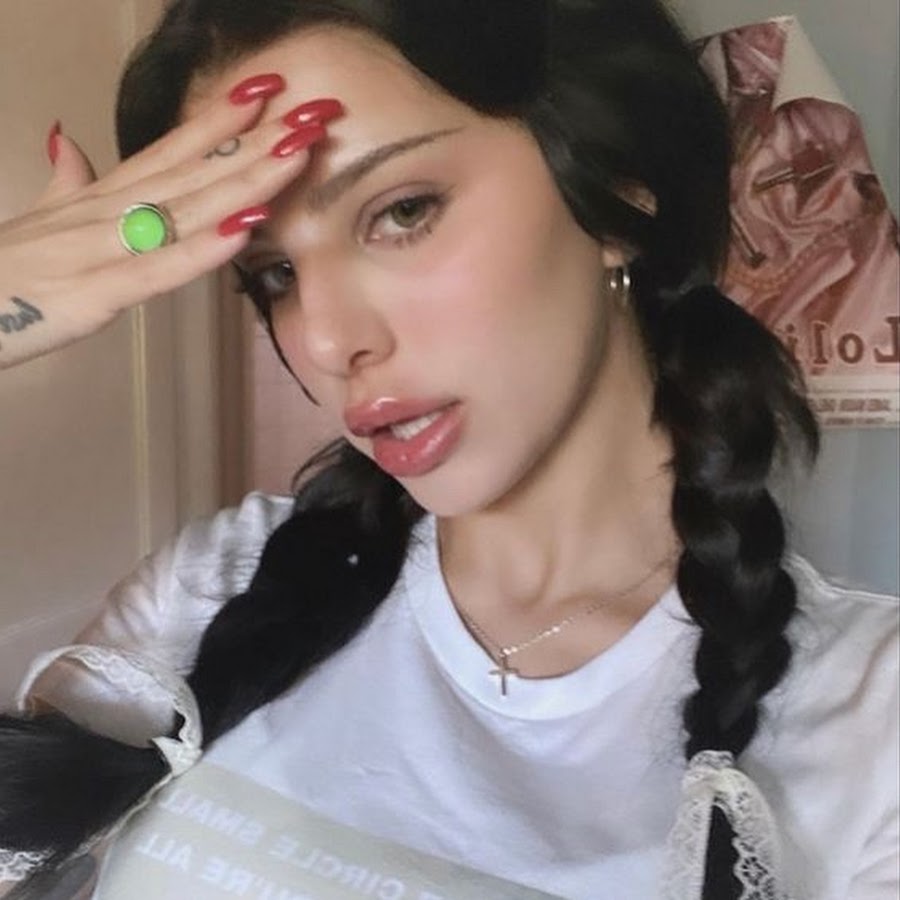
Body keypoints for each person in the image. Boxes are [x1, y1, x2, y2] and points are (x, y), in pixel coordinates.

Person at [0, 1, 897, 898]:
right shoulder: (211, 587)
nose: (327, 340)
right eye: (275, 273)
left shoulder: (872, 725)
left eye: (403, 212)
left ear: (618, 190)